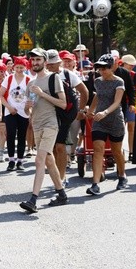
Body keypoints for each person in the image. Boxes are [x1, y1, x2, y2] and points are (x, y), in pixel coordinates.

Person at [19, 48, 68, 213]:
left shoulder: (53, 78)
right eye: (33, 60)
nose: (35, 63)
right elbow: (28, 111)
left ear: (45, 61)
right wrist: (28, 109)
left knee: (39, 160)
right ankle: (61, 193)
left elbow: (63, 103)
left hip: (51, 123)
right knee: (48, 160)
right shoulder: (30, 84)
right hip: (37, 125)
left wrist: (43, 94)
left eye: (38, 60)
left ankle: (33, 199)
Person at [85, 54, 127, 196]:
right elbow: (98, 96)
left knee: (116, 152)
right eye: (100, 69)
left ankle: (122, 175)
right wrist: (90, 110)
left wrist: (104, 112)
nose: (102, 71)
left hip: (115, 121)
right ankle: (95, 184)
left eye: (105, 68)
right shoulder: (98, 81)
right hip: (100, 122)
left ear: (112, 68)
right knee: (98, 149)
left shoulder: (119, 82)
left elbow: (117, 102)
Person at [46, 49, 89, 187]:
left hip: (66, 115)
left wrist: (81, 110)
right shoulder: (43, 77)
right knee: (52, 148)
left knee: (60, 146)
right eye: (48, 64)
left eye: (53, 64)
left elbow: (84, 91)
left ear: (59, 63)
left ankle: (62, 177)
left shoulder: (68, 75)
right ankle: (57, 175)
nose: (50, 66)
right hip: (49, 114)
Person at [0, 56, 30, 171]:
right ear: (13, 67)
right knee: (11, 134)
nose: (19, 70)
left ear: (25, 67)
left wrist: (29, 109)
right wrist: (9, 107)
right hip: (10, 111)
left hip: (23, 111)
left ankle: (20, 161)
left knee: (22, 136)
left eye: (21, 67)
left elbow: (32, 96)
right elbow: (1, 94)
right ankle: (11, 160)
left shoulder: (28, 80)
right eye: (17, 67)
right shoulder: (9, 79)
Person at [120, 54, 136, 162]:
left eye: (133, 65)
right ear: (124, 64)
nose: (132, 66)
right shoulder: (117, 74)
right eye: (130, 64)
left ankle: (131, 152)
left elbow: (134, 91)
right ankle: (119, 151)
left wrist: (133, 103)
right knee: (120, 128)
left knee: (132, 128)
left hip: (130, 104)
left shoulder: (134, 75)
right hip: (120, 104)